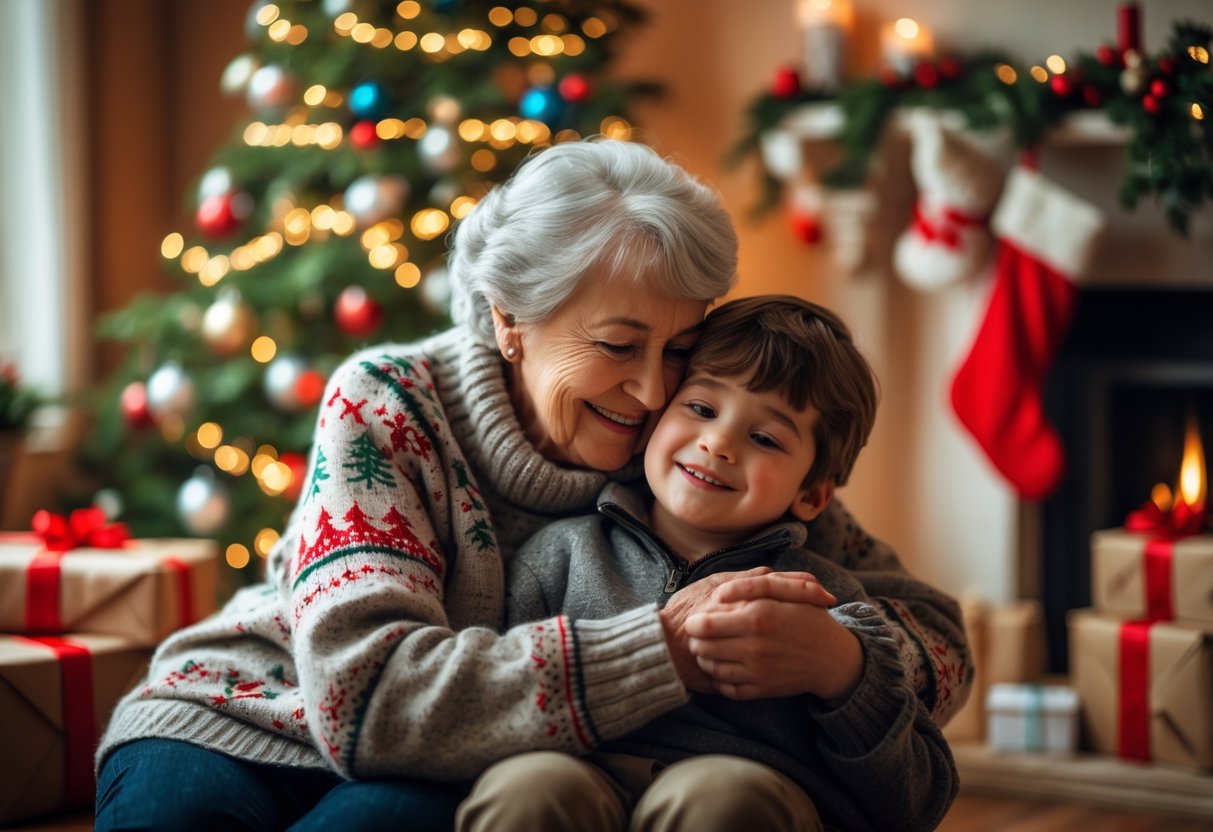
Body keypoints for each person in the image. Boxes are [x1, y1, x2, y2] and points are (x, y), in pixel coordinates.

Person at [94, 139, 971, 831]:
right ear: (510, 318)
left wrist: (842, 659)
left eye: (677, 351)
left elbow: (931, 634)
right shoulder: (391, 402)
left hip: (435, 765)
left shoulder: (684, 447)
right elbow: (367, 699)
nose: (654, 390)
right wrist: (663, 648)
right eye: (619, 346)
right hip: (248, 708)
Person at [458, 296, 959, 832]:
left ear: (814, 495)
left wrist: (842, 673)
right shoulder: (557, 557)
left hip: (743, 794)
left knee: (722, 798)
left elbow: (921, 796)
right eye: (700, 408)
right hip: (579, 776)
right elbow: (495, 715)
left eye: (765, 438)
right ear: (651, 422)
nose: (718, 443)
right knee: (529, 788)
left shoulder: (825, 600)